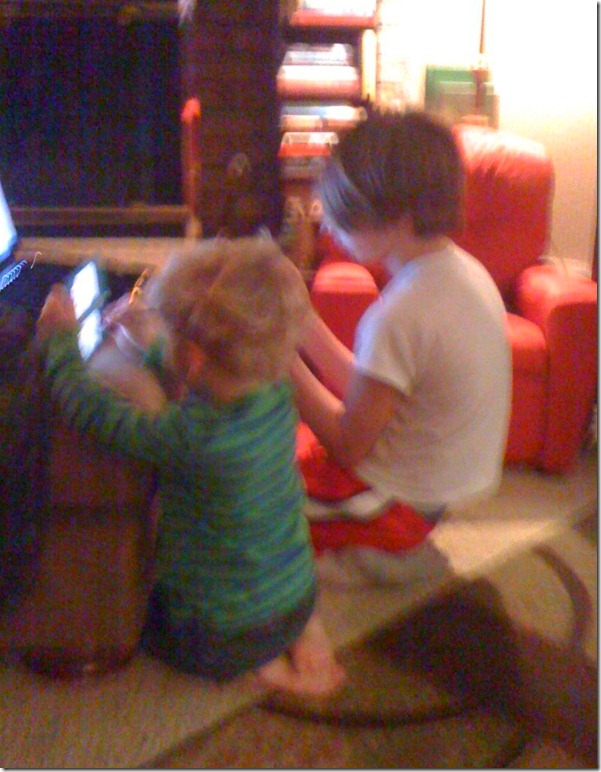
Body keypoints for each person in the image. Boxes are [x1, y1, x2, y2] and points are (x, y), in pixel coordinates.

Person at [35, 236, 345, 695]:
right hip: (297, 596)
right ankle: (293, 638)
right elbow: (200, 375)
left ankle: (259, 668)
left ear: (193, 356)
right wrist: (151, 346)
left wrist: (59, 343)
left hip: (218, 636)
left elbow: (98, 415)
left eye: (171, 332)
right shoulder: (277, 388)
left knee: (139, 614)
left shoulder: (192, 436)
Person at [291, 108, 512, 582]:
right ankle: (389, 542)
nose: (329, 228)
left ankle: (383, 552)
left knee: (258, 498)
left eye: (344, 214)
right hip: (437, 489)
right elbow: (373, 387)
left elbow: (348, 444)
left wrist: (280, 363)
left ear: (397, 218)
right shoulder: (460, 272)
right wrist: (302, 323)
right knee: (299, 451)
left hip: (397, 498)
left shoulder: (401, 313)